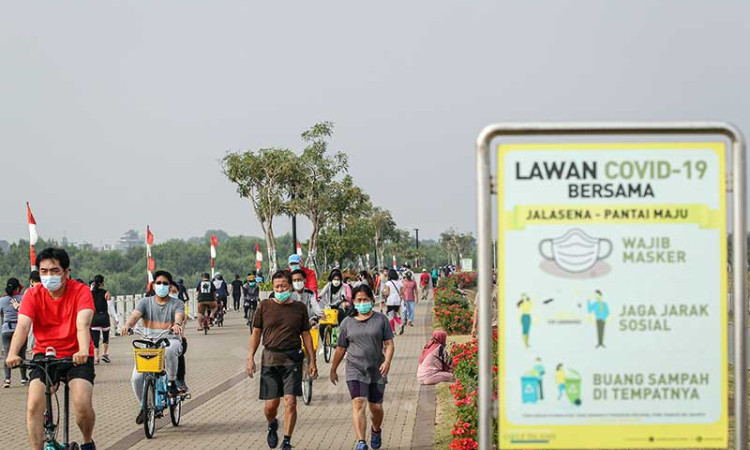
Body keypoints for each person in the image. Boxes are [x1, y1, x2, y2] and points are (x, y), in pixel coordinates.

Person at [5, 248, 97, 450]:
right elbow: (22, 326)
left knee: (81, 403)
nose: (49, 276)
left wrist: (83, 350)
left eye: (55, 270)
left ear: (66, 272)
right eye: (44, 271)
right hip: (46, 356)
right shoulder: (32, 294)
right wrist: (12, 353)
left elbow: (82, 324)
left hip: (77, 355)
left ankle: (87, 441)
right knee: (34, 406)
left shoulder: (80, 291)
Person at [246, 270, 318, 450]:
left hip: (292, 359)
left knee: (291, 401)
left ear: (290, 287)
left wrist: (312, 361)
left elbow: (306, 335)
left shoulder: (299, 308)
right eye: (277, 286)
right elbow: (256, 333)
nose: (280, 289)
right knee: (271, 406)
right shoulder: (264, 306)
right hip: (270, 359)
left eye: (284, 286)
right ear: (273, 287)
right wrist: (250, 358)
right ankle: (272, 424)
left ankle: (287, 440)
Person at [330, 285, 394, 450]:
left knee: (376, 408)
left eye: (365, 299)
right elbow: (340, 348)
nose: (362, 302)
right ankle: (361, 442)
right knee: (358, 403)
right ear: (353, 302)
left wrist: (387, 361)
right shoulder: (346, 323)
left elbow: (389, 344)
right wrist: (333, 369)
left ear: (372, 300)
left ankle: (376, 429)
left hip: (377, 369)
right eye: (359, 300)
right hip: (355, 369)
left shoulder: (381, 320)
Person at [121, 270, 184, 423]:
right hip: (149, 342)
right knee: (136, 378)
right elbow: (135, 316)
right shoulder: (145, 302)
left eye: (165, 283)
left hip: (170, 340)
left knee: (169, 351)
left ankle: (171, 383)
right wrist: (127, 325)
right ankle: (145, 406)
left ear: (170, 287)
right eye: (158, 283)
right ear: (153, 285)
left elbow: (179, 316)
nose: (161, 286)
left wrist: (176, 325)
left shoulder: (177, 303)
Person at [1, 278, 28, 387]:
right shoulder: (24, 298)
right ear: (18, 288)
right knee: (21, 354)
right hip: (20, 329)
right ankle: (23, 379)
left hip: (6, 330)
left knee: (8, 354)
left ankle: (7, 379)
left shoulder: (2, 300)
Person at [168, 281, 190, 393]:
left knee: (178, 351)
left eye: (174, 291)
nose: (172, 293)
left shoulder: (180, 305)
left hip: (177, 338)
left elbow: (183, 317)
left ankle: (180, 379)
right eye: (170, 291)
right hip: (159, 339)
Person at [89, 275, 112, 365]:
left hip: (94, 318)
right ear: (102, 283)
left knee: (95, 339)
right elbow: (110, 306)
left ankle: (96, 358)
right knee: (105, 337)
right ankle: (105, 354)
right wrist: (116, 317)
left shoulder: (89, 293)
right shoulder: (106, 292)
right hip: (104, 317)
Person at [381, 269, 403, 335]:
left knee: (391, 316)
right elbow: (401, 292)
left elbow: (387, 293)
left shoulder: (388, 283)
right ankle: (400, 324)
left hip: (390, 301)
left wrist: (384, 293)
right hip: (397, 301)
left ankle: (393, 331)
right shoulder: (399, 282)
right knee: (395, 314)